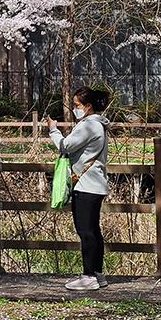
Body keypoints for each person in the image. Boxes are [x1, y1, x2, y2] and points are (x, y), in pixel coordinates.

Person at [46, 86, 111, 291]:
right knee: (93, 231)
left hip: (86, 185)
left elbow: (65, 146)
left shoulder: (89, 125)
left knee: (85, 231)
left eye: (77, 105)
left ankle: (89, 275)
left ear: (88, 106)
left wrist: (53, 130)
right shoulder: (99, 125)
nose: (75, 109)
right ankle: (97, 273)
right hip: (94, 184)